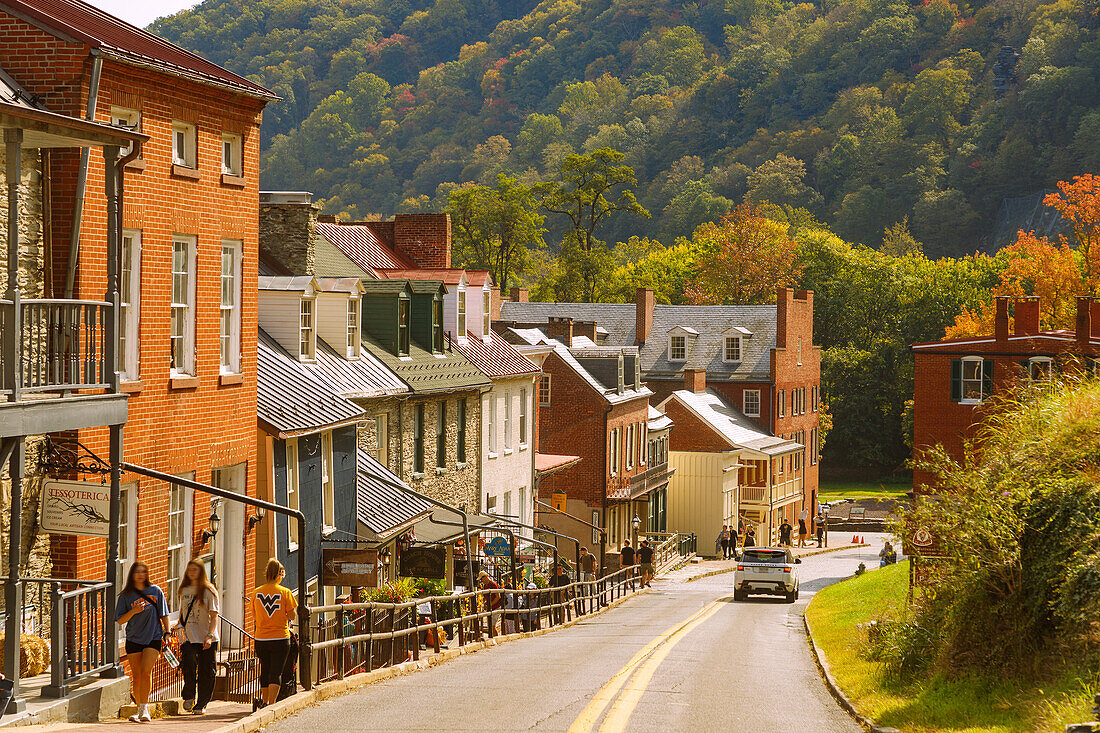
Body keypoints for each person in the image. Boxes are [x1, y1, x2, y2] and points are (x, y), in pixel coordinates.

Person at [115, 561, 170, 723]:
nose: (140, 575)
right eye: (137, 572)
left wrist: (167, 632)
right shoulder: (126, 596)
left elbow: (164, 614)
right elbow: (119, 620)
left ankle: (145, 708)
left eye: (143, 572)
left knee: (146, 672)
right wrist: (133, 611)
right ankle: (139, 709)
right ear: (132, 575)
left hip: (153, 637)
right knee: (137, 675)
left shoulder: (155, 591)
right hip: (133, 638)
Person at [251, 559, 297, 711]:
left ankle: (263, 701)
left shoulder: (256, 592)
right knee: (276, 671)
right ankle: (271, 703)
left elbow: (254, 616)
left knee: (265, 668)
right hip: (280, 637)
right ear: (279, 574)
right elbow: (292, 616)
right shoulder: (285, 592)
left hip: (261, 638)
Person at [175, 560, 220, 715]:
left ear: (201, 572)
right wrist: (178, 626)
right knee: (188, 665)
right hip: (188, 636)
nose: (192, 572)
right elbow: (183, 611)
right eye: (190, 570)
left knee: (206, 671)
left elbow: (214, 616)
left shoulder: (208, 590)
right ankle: (188, 696)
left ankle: (201, 703)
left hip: (206, 637)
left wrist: (209, 635)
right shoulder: (184, 590)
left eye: (195, 570)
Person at [478, 571, 502, 636]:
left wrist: (490, 604)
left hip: (496, 607)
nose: (481, 581)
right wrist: (485, 604)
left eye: (481, 579)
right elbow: (485, 597)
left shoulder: (493, 585)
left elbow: (498, 597)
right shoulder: (485, 586)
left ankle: (496, 638)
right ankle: (493, 638)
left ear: (485, 577)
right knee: (490, 625)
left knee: (492, 625)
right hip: (490, 608)